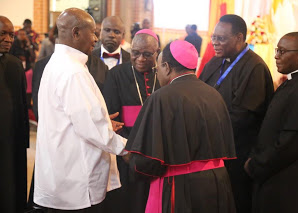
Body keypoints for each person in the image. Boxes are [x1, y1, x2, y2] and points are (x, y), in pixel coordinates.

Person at [125, 40, 236, 213]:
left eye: (159, 68)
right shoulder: (214, 94)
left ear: (167, 67)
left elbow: (147, 161)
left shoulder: (161, 97)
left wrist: (133, 164)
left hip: (179, 187)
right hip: (217, 182)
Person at [34, 8, 127, 212]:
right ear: (76, 33)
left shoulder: (58, 63)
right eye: (92, 32)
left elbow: (73, 116)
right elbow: (90, 127)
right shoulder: (72, 71)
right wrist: (127, 148)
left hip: (61, 171)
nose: (96, 38)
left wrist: (101, 120)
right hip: (75, 179)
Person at [199, 14, 274, 213]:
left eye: (221, 39)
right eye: (214, 37)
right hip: (210, 148)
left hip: (237, 153)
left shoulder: (255, 67)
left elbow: (242, 117)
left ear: (239, 38)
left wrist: (203, 129)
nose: (215, 42)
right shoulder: (215, 62)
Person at [244, 32, 298, 213]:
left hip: (289, 180)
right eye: (277, 50)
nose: (276, 56)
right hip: (277, 173)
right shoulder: (295, 81)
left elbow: (294, 141)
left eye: (282, 51)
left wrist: (257, 164)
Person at [102, 29, 160, 213]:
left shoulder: (163, 75)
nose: (141, 59)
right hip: (127, 152)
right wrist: (126, 152)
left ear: (157, 52)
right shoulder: (116, 74)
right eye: (135, 53)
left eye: (147, 54)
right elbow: (112, 117)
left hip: (157, 152)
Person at [0, 16, 29, 213]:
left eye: (11, 35)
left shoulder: (14, 64)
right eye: (3, 34)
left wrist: (23, 140)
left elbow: (21, 106)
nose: (9, 40)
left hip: (9, 141)